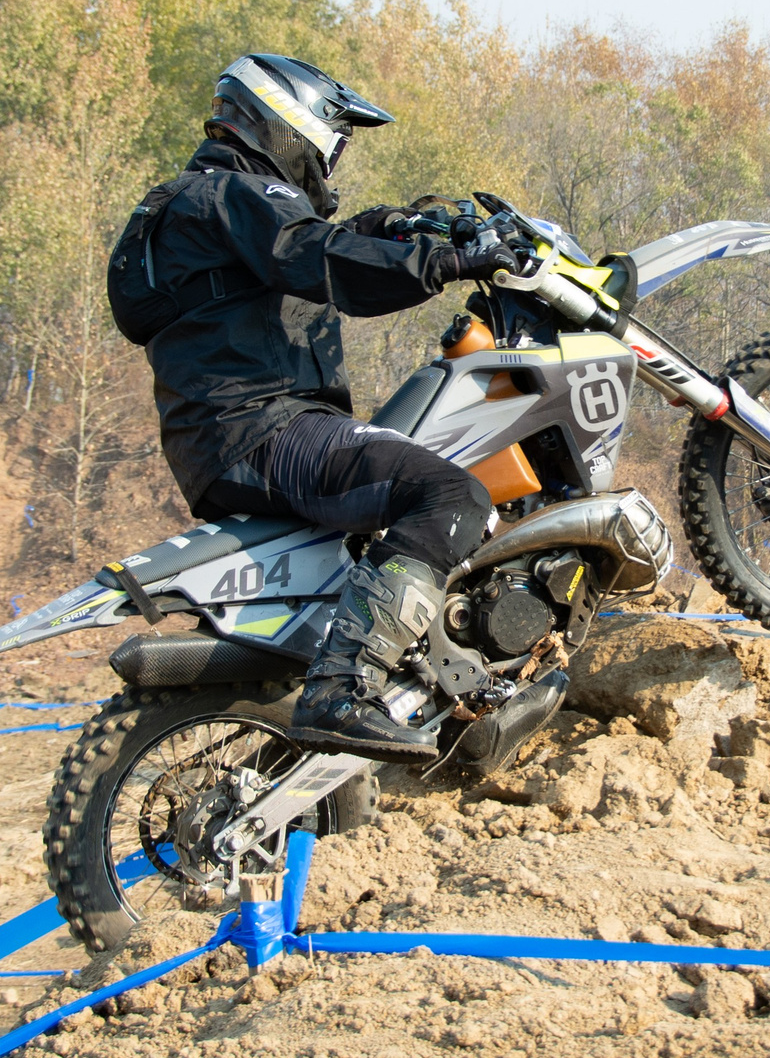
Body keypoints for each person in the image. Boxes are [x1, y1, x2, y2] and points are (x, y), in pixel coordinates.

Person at [120, 54, 518, 761]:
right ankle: (343, 689)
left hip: (226, 440)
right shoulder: (233, 195)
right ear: (287, 124)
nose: (331, 164)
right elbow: (321, 258)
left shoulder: (201, 203)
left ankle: (420, 692)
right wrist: (449, 262)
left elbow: (302, 250)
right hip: (265, 432)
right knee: (450, 494)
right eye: (332, 143)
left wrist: (399, 226)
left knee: (395, 500)